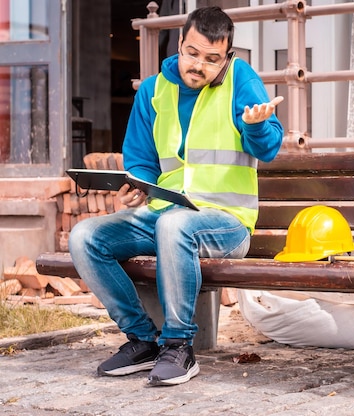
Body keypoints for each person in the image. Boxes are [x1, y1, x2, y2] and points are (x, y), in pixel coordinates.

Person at [69, 6, 284, 387]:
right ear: (180, 45)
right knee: (85, 237)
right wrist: (137, 188)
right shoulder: (153, 90)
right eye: (193, 53)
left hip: (227, 223)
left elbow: (267, 149)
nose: (199, 65)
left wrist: (256, 126)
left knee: (174, 225)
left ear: (227, 57)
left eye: (212, 59)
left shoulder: (240, 79)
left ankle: (179, 346)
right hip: (165, 216)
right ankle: (143, 340)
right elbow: (140, 161)